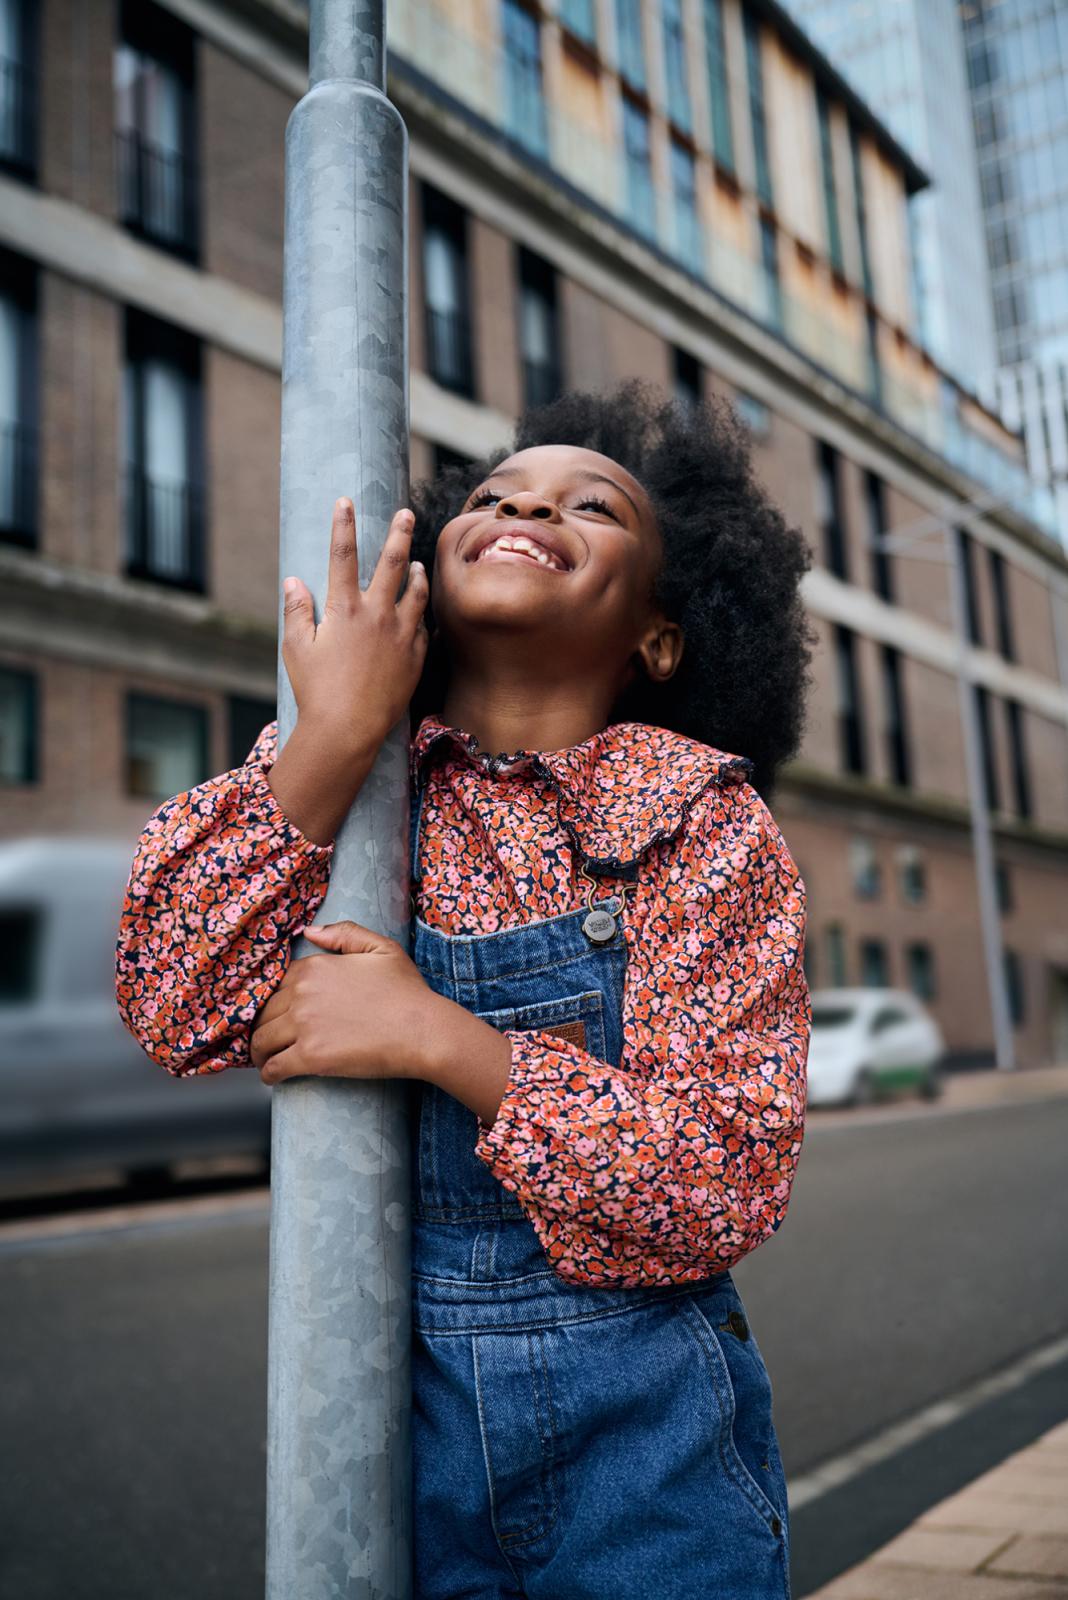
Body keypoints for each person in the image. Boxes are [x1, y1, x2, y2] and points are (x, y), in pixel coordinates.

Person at [116, 377, 815, 1599]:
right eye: (494, 493)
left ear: (659, 631)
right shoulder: (357, 782)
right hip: (401, 1427)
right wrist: (332, 742)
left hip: (647, 1441)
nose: (529, 502)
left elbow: (724, 1178)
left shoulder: (703, 822)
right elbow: (173, 996)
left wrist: (439, 1038)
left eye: (590, 504)